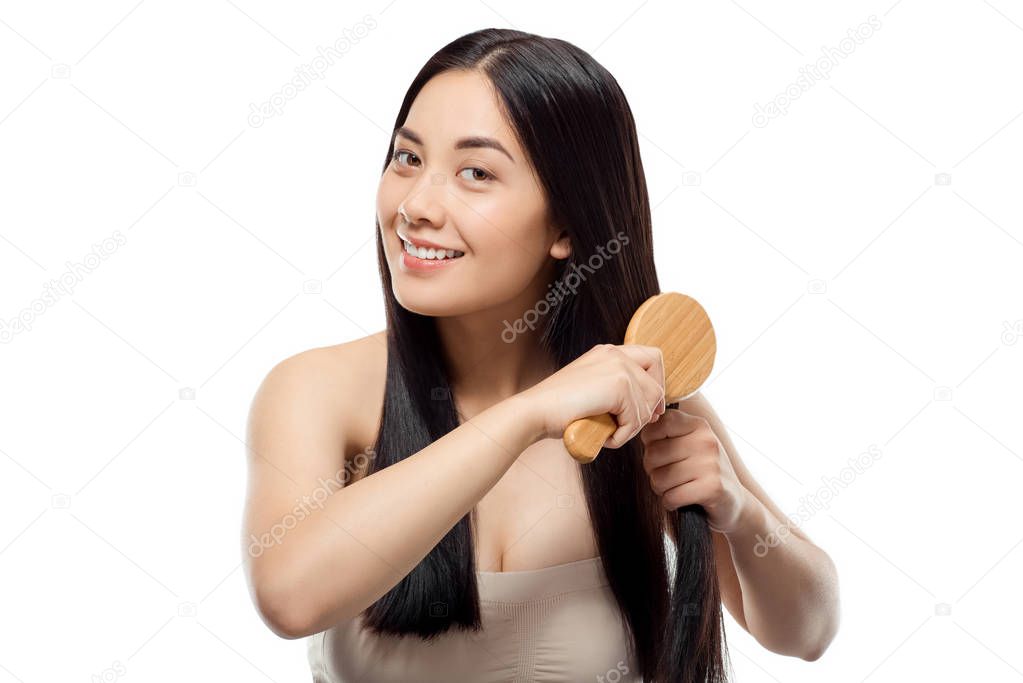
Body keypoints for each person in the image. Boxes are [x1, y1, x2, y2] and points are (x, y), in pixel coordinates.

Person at [242, 28, 840, 682]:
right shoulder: (318, 390)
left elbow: (806, 631)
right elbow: (289, 593)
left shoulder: (635, 402)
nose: (415, 206)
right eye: (407, 158)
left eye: (475, 172)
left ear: (566, 225)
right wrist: (526, 415)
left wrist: (737, 511)